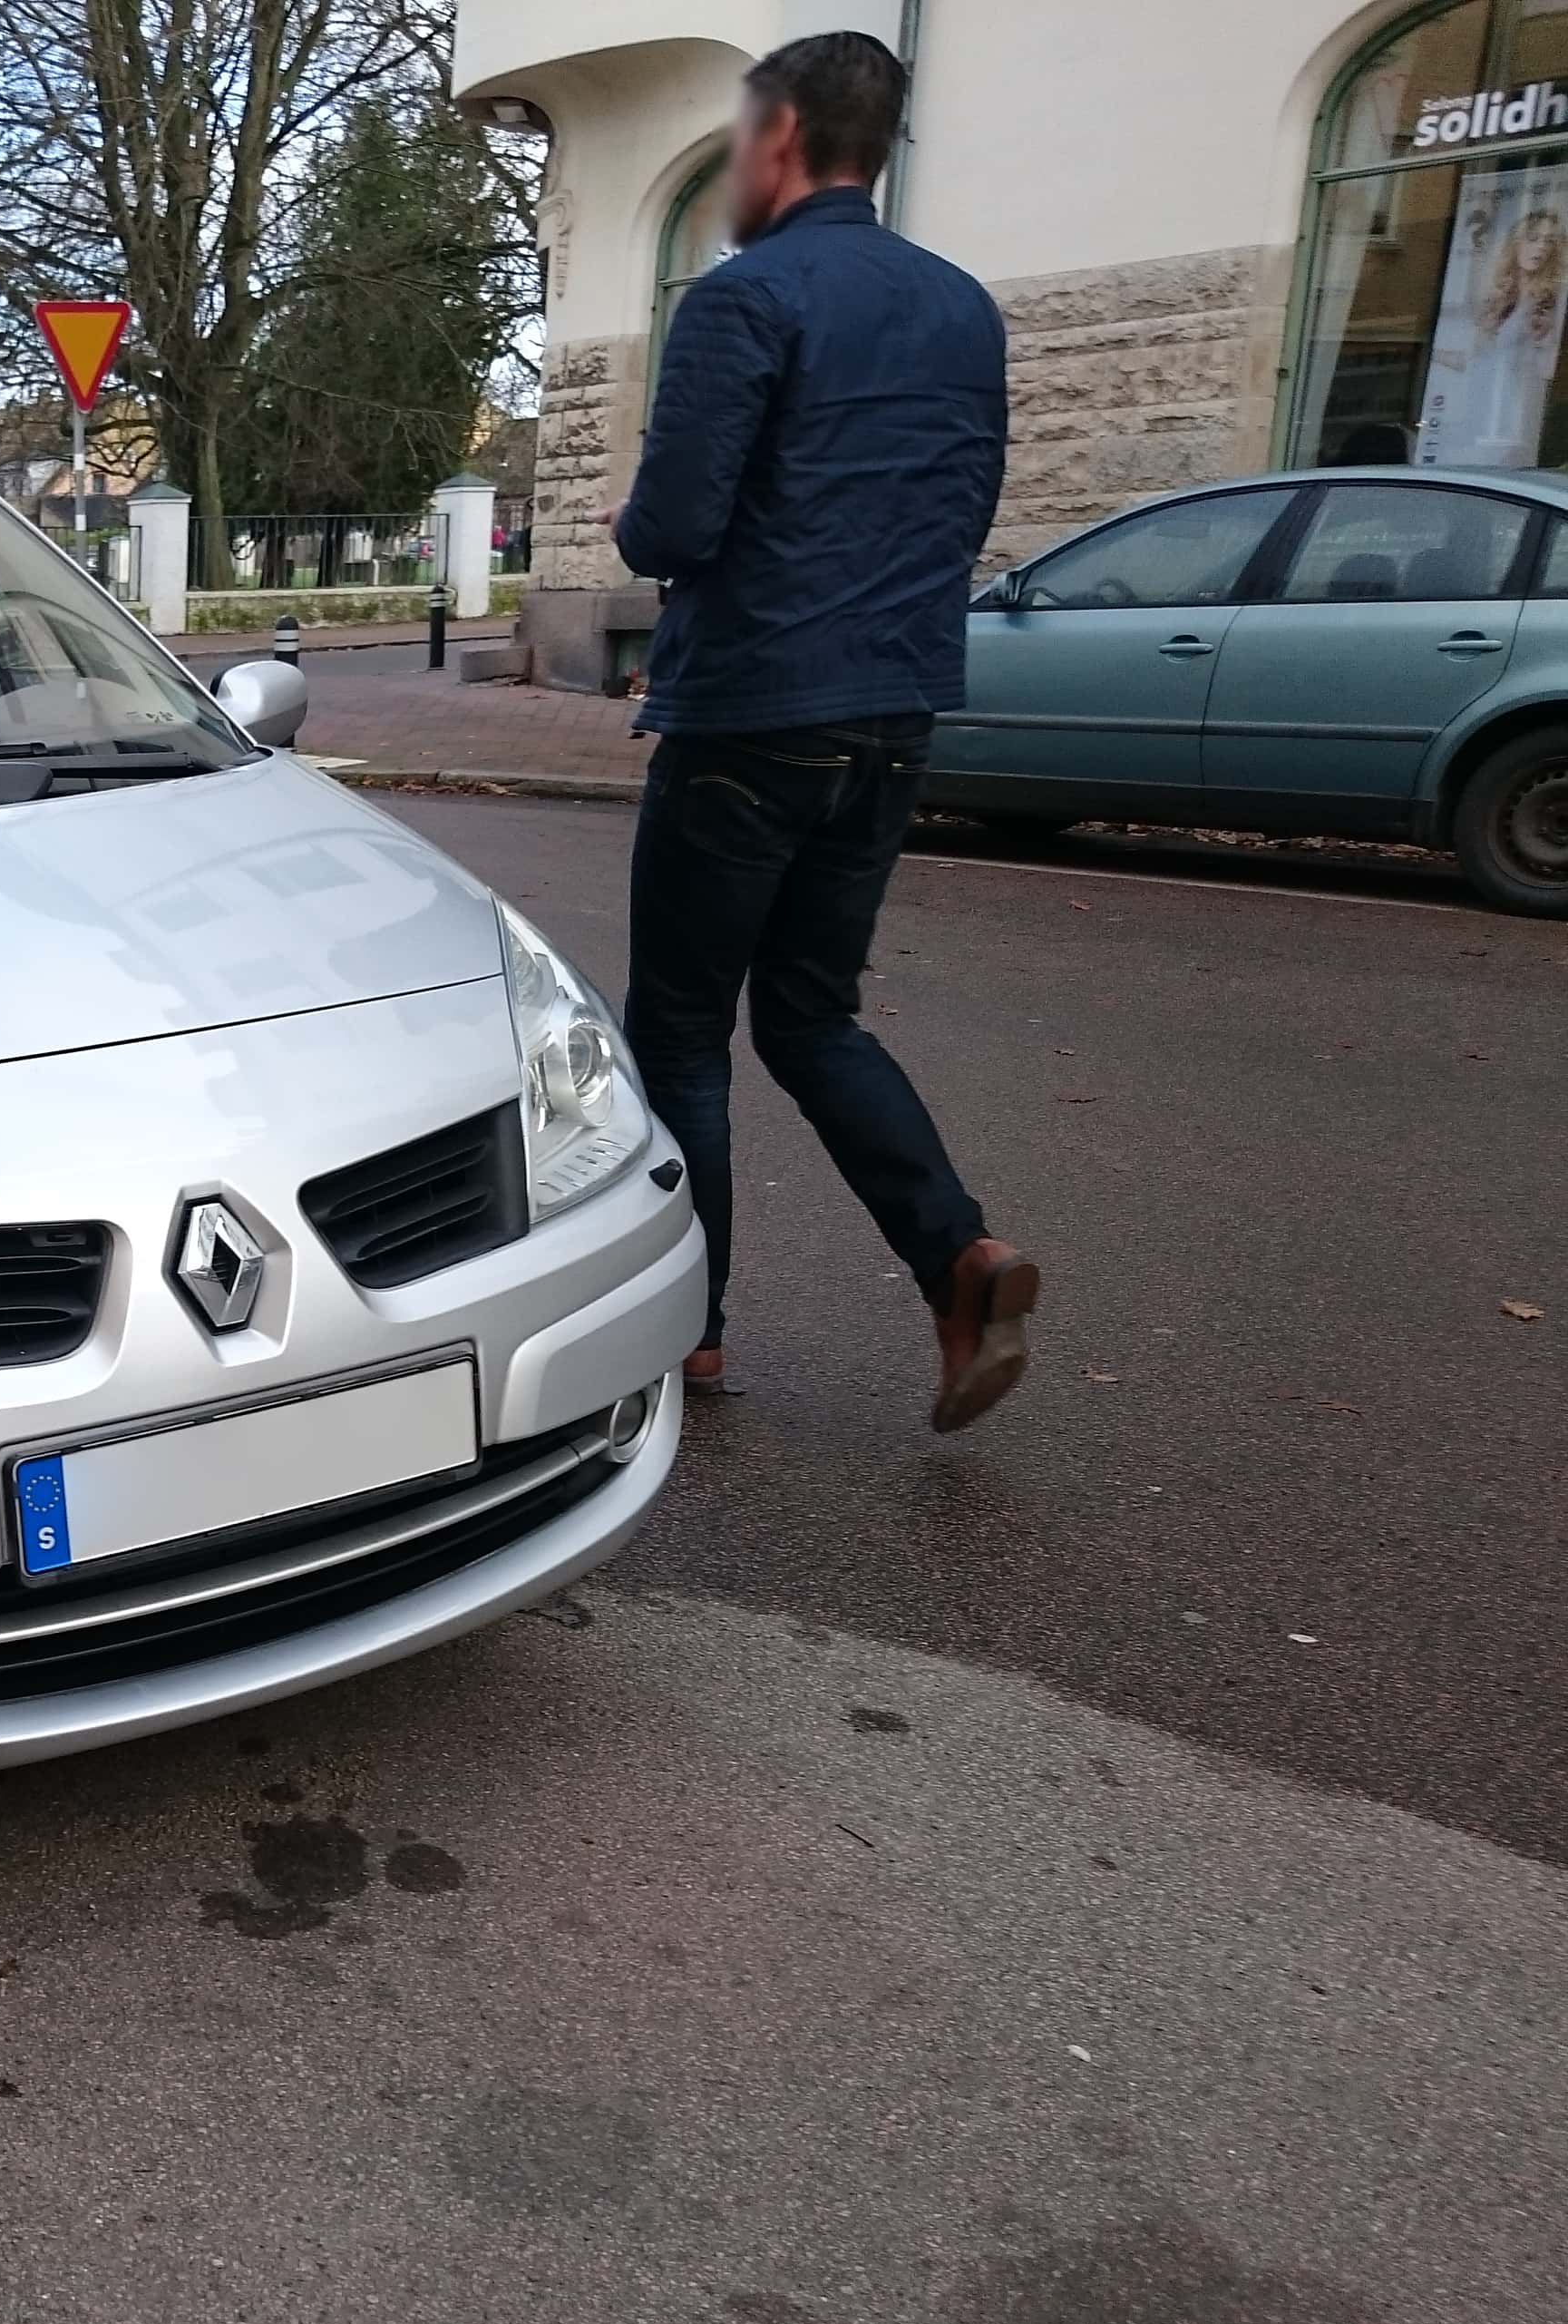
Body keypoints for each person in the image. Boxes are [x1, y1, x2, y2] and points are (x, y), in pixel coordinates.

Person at [607, 30, 1037, 1433]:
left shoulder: (746, 302)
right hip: (896, 714)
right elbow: (956, 512)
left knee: (678, 1036)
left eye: (740, 138)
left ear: (781, 135)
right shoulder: (963, 308)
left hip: (750, 717)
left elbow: (674, 525)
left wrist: (655, 534)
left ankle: (695, 1334)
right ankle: (956, 1255)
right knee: (812, 1012)